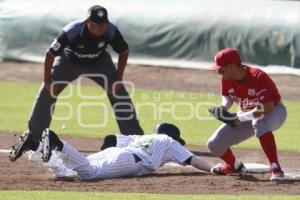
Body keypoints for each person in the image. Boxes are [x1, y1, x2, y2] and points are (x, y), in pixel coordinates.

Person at [9, 5, 144, 162]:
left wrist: (118, 79)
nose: (101, 27)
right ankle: (33, 137)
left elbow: (123, 51)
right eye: (97, 23)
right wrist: (47, 80)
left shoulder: (111, 30)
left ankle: (136, 140)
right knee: (47, 91)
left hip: (99, 62)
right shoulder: (72, 30)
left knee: (118, 91)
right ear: (88, 22)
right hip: (69, 61)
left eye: (103, 23)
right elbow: (50, 54)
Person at [207, 48, 287, 181]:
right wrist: (223, 108)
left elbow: (266, 108)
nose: (218, 72)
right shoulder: (227, 78)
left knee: (258, 121)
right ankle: (234, 166)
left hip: (275, 112)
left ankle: (275, 168)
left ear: (232, 67)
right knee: (214, 144)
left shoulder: (258, 76)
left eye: (221, 69)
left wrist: (238, 118)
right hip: (247, 114)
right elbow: (227, 96)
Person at [40, 123, 212, 180]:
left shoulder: (141, 138)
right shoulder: (168, 140)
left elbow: (110, 139)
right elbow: (192, 159)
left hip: (116, 152)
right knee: (90, 173)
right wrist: (213, 169)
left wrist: (105, 157)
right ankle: (59, 143)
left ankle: (35, 145)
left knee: (68, 172)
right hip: (129, 159)